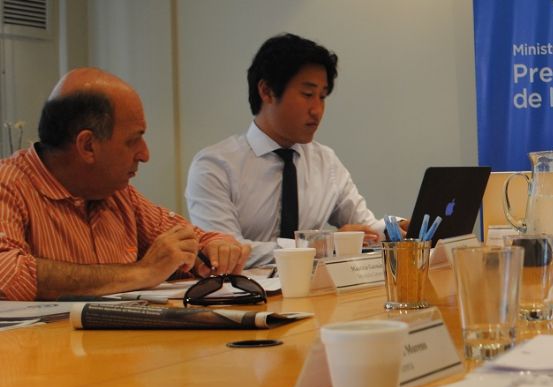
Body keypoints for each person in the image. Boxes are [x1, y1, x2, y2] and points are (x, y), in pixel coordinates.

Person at [0, 68, 249, 301]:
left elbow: (195, 239)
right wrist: (142, 272)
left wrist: (217, 248)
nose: (145, 155)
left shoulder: (117, 194)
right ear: (88, 146)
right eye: (133, 140)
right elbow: (8, 274)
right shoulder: (8, 184)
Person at [187, 33, 393, 268]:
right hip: (245, 290)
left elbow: (365, 227)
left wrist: (396, 228)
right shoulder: (215, 166)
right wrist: (319, 246)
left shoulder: (325, 161)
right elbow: (226, 251)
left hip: (319, 288)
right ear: (266, 91)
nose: (317, 110)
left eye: (322, 97)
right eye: (308, 95)